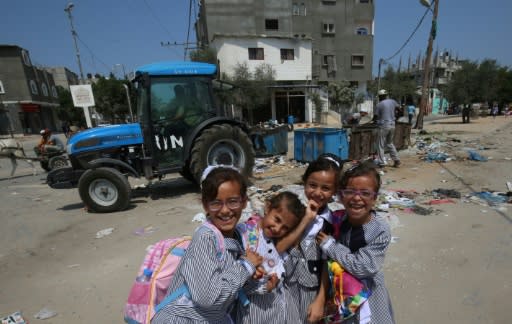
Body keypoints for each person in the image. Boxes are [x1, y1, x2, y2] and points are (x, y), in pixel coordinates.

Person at [151, 166, 264, 324]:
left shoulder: (237, 237)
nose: (225, 211)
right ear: (205, 205)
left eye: (232, 201)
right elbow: (208, 298)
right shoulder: (205, 238)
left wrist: (250, 277)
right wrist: (245, 266)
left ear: (244, 202)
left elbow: (226, 287)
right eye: (216, 203)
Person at [317, 160, 395, 324]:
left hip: (370, 295)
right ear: (341, 195)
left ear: (374, 198)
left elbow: (362, 267)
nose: (357, 198)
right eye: (350, 192)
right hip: (341, 294)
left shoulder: (380, 230)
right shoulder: (339, 219)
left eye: (365, 193)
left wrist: (331, 246)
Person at [277, 153, 344, 324]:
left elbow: (327, 265)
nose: (317, 193)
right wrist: (305, 219)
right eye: (312, 185)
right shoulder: (294, 214)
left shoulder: (332, 224)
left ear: (335, 191)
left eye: (326, 188)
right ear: (304, 183)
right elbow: (280, 248)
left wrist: (320, 300)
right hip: (286, 285)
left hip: (311, 291)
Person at [233, 191, 308, 324]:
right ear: (267, 208)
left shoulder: (277, 240)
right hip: (254, 310)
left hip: (280, 306)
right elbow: (234, 278)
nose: (277, 229)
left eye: (285, 227)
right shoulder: (243, 234)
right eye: (277, 219)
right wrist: (262, 285)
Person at [374, 89, 400, 168]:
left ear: (379, 96)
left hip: (384, 125)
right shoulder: (393, 101)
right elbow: (399, 109)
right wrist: (396, 117)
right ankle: (396, 160)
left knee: (380, 145)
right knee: (390, 143)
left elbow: (375, 116)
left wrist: (374, 120)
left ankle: (381, 163)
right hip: (392, 124)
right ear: (386, 95)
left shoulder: (379, 104)